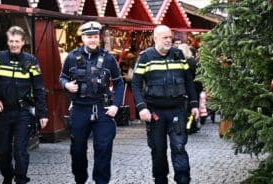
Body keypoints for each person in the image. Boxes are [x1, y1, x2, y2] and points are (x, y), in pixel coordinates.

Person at [0, 26, 49, 184]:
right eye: (11, 41)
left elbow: (38, 89)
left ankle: (21, 180)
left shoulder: (31, 61)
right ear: (7, 41)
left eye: (17, 41)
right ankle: (7, 176)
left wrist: (43, 114)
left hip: (23, 112)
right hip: (2, 112)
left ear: (23, 42)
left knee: (20, 149)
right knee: (2, 150)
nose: (14, 44)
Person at [132, 25, 199, 184]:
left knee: (179, 148)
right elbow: (136, 84)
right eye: (165, 38)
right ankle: (160, 181)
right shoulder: (145, 57)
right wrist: (142, 107)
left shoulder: (179, 54)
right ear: (155, 38)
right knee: (158, 151)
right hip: (155, 113)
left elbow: (189, 80)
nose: (169, 40)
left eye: (170, 37)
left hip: (177, 110)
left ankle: (183, 180)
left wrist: (194, 103)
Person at [59, 21, 124, 184]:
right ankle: (80, 179)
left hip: (102, 109)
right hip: (79, 109)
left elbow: (119, 82)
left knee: (103, 148)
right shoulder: (72, 57)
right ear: (83, 38)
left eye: (95, 36)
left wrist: (116, 105)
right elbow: (62, 77)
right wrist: (66, 85)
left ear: (99, 38)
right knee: (78, 150)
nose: (93, 40)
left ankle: (101, 181)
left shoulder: (109, 59)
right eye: (89, 37)